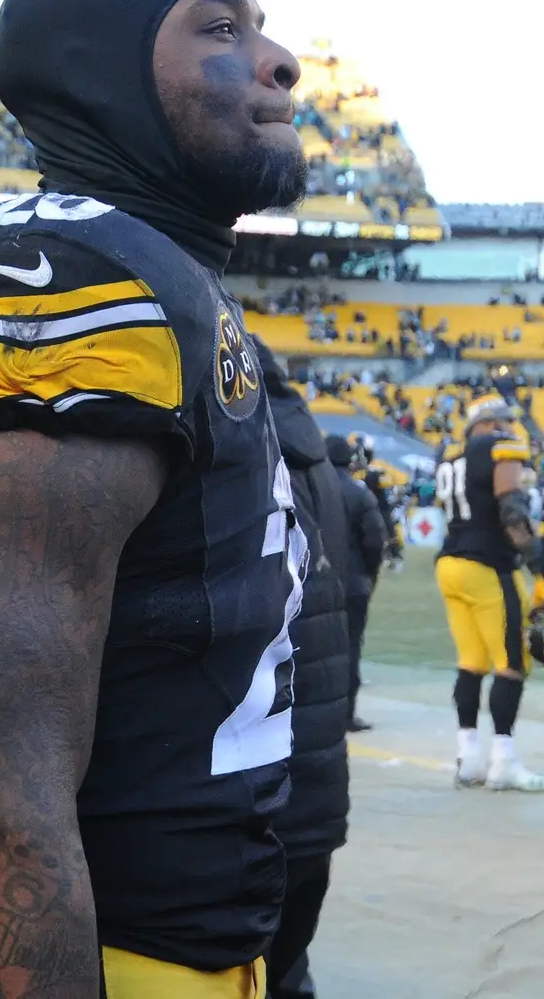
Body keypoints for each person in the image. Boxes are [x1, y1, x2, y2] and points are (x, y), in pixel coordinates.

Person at [0, 0, 310, 999]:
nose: (277, 56)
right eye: (219, 25)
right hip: (84, 960)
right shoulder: (64, 272)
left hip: (175, 950)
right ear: (100, 74)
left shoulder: (165, 283)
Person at [254, 342, 349, 999]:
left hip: (246, 779)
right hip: (314, 769)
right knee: (285, 962)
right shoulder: (313, 463)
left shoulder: (241, 459)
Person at [434, 397, 544, 790]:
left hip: (450, 565)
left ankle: (468, 758)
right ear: (486, 423)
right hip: (488, 565)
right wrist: (536, 561)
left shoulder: (447, 454)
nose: (510, 428)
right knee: (512, 661)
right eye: (503, 421)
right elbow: (511, 509)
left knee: (471, 660)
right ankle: (504, 762)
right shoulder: (498, 447)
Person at [325, 435, 386, 732]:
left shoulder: (308, 488)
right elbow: (375, 540)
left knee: (313, 649)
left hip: (315, 582)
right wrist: (368, 574)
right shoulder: (360, 492)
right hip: (353, 582)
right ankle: (346, 714)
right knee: (350, 648)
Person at [352, 433, 403, 570]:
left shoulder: (374, 469)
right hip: (359, 508)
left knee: (388, 523)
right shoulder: (351, 471)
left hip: (376, 508)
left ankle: (393, 553)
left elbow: (387, 482)